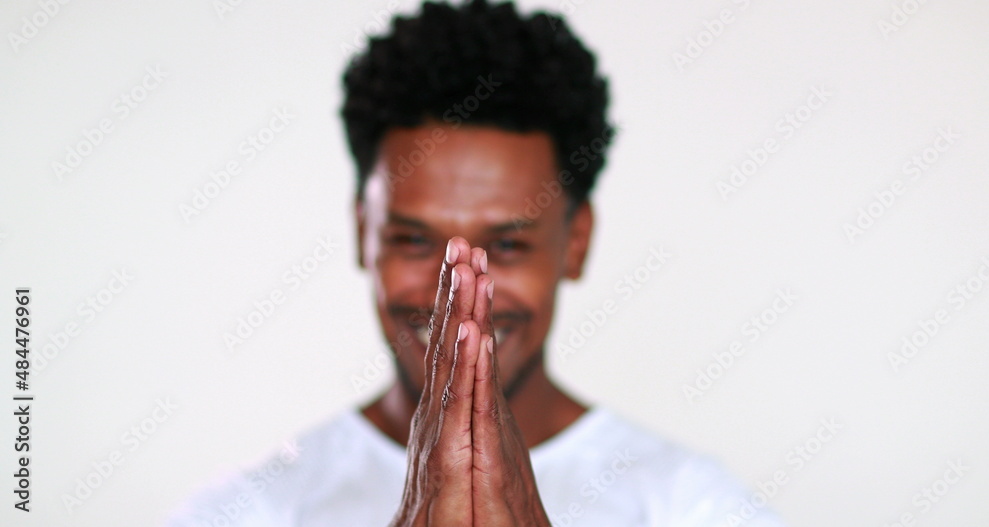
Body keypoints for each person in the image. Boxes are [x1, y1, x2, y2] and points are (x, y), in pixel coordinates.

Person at [167, 1, 788, 525]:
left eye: (508, 246)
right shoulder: (246, 510)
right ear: (364, 233)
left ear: (576, 242)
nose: (457, 292)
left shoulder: (694, 505)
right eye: (414, 242)